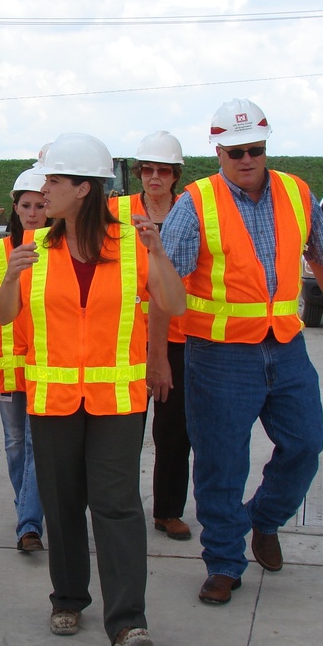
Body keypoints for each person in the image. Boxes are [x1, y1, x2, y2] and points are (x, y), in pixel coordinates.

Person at [153, 99, 323, 605]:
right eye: (236, 151)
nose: (247, 159)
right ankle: (224, 562)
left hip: (286, 348)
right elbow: (162, 284)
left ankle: (263, 520)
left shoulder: (296, 193)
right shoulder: (196, 203)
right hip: (219, 357)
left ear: (265, 148)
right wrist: (158, 357)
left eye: (256, 150)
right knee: (221, 464)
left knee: (306, 444)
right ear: (218, 152)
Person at [0, 133, 186, 646]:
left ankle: (128, 622)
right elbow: (7, 315)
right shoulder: (35, 247)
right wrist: (10, 278)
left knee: (117, 505)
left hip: (118, 401)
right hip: (54, 398)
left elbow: (174, 302)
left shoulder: (132, 244)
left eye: (54, 181)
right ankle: (69, 597)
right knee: (61, 503)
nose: (45, 190)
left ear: (83, 189)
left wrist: (159, 251)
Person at [110, 131, 193, 542]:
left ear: (175, 175)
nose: (154, 177)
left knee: (175, 431)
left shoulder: (189, 212)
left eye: (163, 170)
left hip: (178, 337)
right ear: (139, 172)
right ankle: (119, 512)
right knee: (122, 432)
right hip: (123, 336)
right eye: (148, 170)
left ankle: (168, 511)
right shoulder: (114, 211)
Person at [0, 167, 49, 553]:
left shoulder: (58, 249)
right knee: (15, 443)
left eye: (40, 205)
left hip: (44, 361)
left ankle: (28, 524)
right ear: (16, 208)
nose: (33, 213)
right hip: (5, 360)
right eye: (26, 205)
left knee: (38, 445)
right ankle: (28, 511)